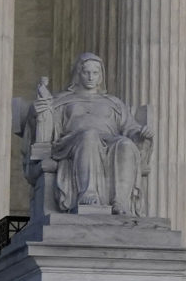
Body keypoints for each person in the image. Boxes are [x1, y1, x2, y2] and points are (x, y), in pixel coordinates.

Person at [18, 52, 153, 217]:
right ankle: (88, 192)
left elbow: (129, 127)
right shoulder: (62, 100)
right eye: (86, 72)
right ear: (78, 74)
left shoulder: (114, 103)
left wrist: (141, 134)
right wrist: (34, 113)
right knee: (89, 135)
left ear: (100, 76)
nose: (91, 77)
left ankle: (120, 201)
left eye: (95, 73)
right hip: (71, 143)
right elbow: (43, 124)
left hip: (110, 141)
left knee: (126, 144)